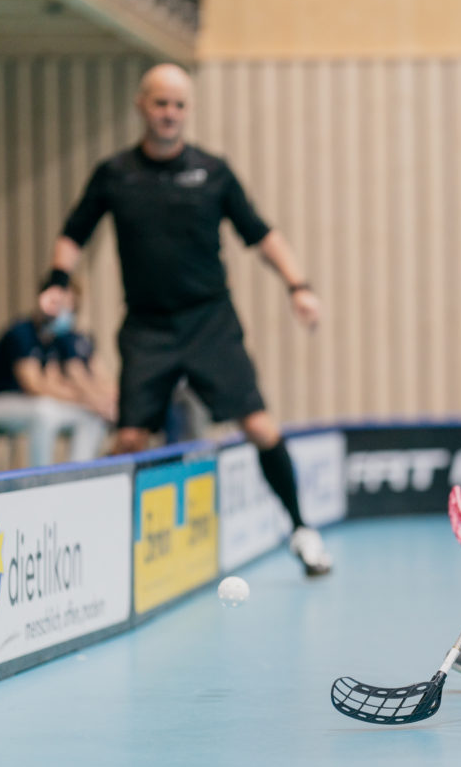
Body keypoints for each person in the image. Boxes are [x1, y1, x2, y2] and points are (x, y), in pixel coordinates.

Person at [37, 63, 332, 577]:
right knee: (130, 438)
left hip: (210, 323)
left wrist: (298, 287)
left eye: (177, 104)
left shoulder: (213, 172)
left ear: (187, 111)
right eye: (159, 103)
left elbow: (262, 235)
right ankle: (105, 555)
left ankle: (302, 530)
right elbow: (73, 233)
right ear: (141, 106)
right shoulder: (115, 174)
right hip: (147, 327)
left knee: (260, 426)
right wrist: (57, 281)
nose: (169, 113)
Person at [0, 284, 115, 467]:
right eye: (60, 305)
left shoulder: (53, 340)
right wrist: (87, 400)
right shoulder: (21, 333)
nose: (64, 312)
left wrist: (93, 404)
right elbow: (34, 386)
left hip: (26, 404)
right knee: (45, 412)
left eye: (70, 307)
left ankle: (78, 478)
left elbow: (56, 385)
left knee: (89, 416)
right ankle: (41, 480)